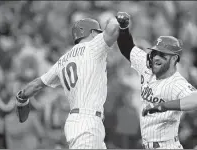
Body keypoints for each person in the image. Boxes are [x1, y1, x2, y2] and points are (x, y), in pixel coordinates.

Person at [15, 17, 120, 149]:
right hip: (87, 122)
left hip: (79, 121)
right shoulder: (93, 47)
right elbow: (112, 30)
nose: (98, 35)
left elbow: (36, 85)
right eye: (97, 32)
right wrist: (119, 20)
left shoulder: (63, 59)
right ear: (92, 32)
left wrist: (21, 98)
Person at [116, 12, 197, 149]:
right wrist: (124, 28)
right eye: (155, 52)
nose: (156, 57)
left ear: (174, 58)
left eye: (162, 55)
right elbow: (126, 47)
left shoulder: (176, 82)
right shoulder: (147, 65)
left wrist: (163, 106)